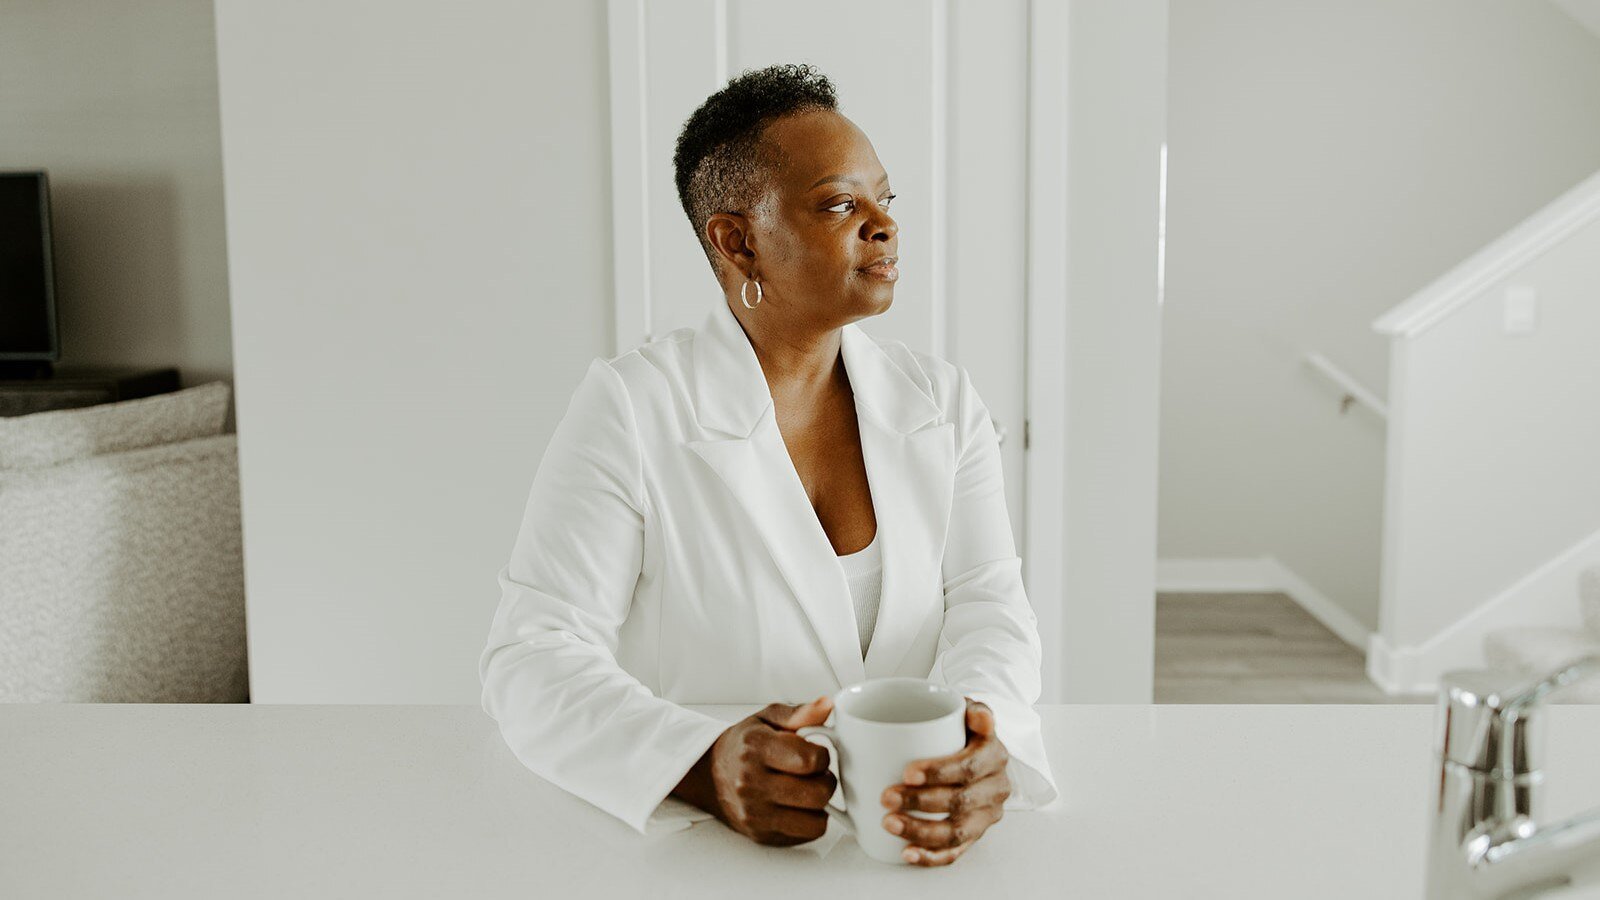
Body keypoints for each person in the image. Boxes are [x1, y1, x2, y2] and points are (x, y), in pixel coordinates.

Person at [479, 62, 1057, 867]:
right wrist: (701, 764)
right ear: (738, 239)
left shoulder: (943, 403)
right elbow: (533, 657)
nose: (883, 226)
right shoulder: (633, 408)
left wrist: (979, 736)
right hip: (709, 858)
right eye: (838, 204)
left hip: (913, 855)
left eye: (884, 200)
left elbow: (991, 607)